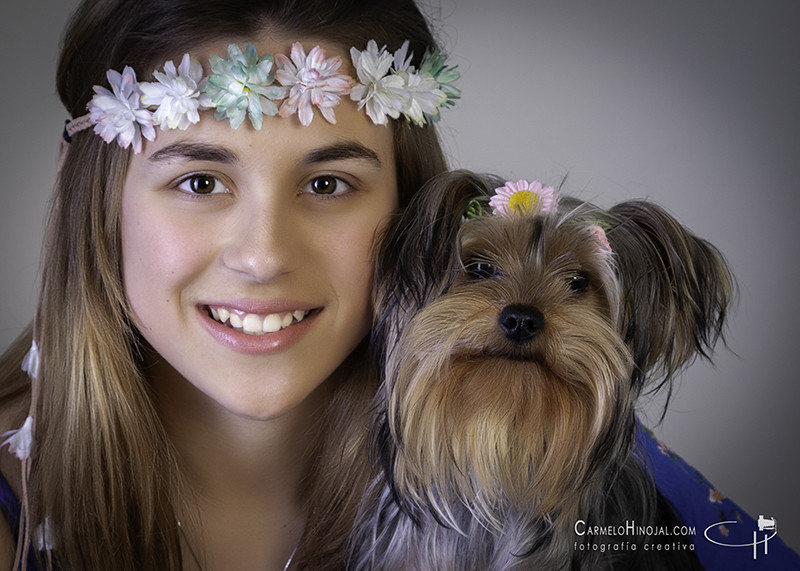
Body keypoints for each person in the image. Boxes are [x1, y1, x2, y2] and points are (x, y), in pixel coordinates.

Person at [0, 0, 453, 569]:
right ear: (84, 192)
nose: (264, 257)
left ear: (411, 204)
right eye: (200, 181)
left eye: (328, 185)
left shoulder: (545, 496)